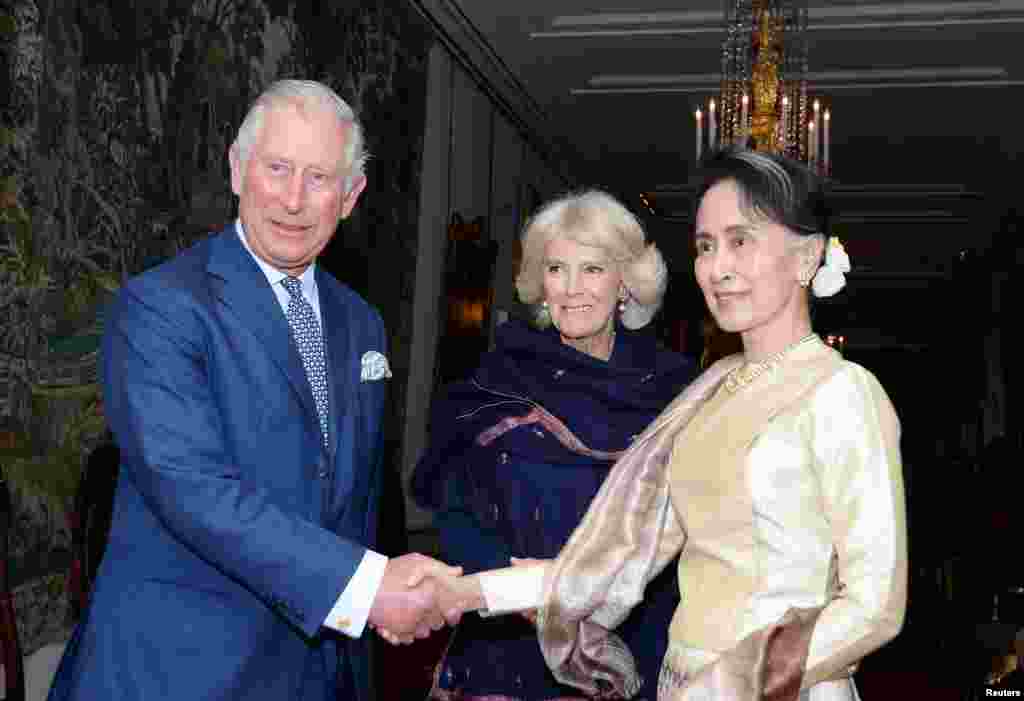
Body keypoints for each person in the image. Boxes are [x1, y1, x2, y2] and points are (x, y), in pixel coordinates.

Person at [422, 148, 908, 700]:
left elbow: (875, 607)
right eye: (705, 246)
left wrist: (723, 686)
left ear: (806, 259)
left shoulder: (843, 393)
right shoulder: (709, 390)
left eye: (740, 241)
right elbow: (622, 555)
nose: (717, 267)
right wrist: (470, 593)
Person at [47, 79, 460, 701]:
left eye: (319, 178)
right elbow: (195, 489)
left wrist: (370, 616)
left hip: (319, 667)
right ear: (238, 171)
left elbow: (354, 500)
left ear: (351, 197)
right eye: (277, 169)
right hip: (183, 671)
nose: (294, 200)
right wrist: (367, 586)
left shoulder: (362, 323)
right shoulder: (162, 307)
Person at [410, 190, 696, 700]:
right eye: (556, 269)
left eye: (592, 269)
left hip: (632, 641)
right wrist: (508, 588)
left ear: (624, 283)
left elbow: (690, 527)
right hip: (510, 638)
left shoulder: (673, 391)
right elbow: (459, 512)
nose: (571, 289)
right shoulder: (495, 380)